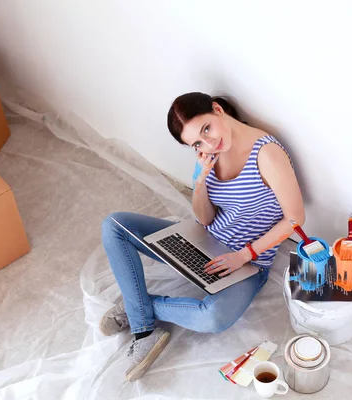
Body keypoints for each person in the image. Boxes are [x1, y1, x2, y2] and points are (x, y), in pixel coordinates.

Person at [100, 92, 305, 381]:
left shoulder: (267, 153)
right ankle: (143, 321)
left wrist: (244, 256)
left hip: (246, 260)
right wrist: (200, 180)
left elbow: (295, 218)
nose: (209, 143)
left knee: (213, 317)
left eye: (206, 128)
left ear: (217, 109)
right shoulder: (208, 155)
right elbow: (204, 218)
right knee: (114, 225)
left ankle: (136, 310)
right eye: (197, 142)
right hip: (199, 239)